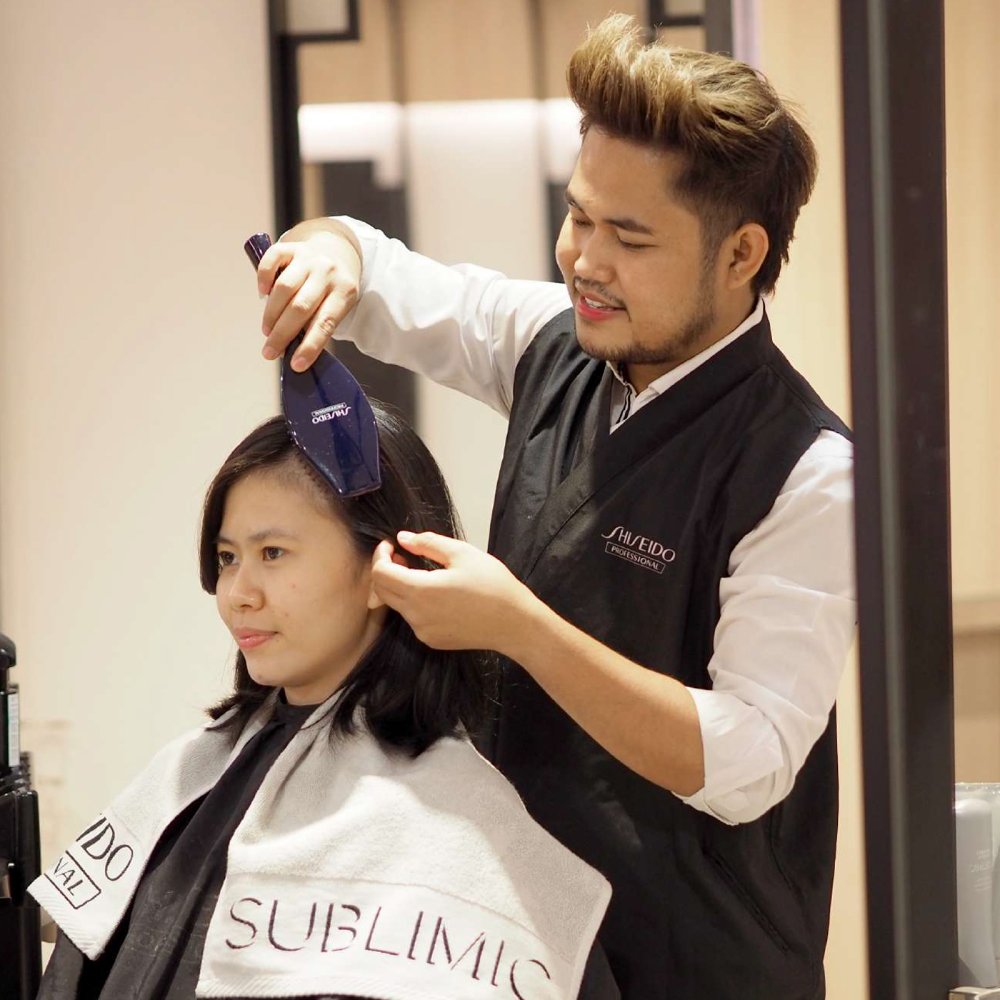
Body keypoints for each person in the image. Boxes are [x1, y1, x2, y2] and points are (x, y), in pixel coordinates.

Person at [251, 14, 856, 1000]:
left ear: (741, 253)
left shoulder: (808, 470)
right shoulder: (553, 339)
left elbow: (746, 760)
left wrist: (518, 628)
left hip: (701, 959)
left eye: (629, 236)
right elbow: (374, 269)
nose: (584, 260)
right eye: (578, 216)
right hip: (523, 946)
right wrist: (329, 254)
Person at [29, 403, 612, 1000]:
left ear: (385, 568)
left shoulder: (459, 817)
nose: (237, 594)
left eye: (272, 553)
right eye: (228, 558)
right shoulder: (184, 778)